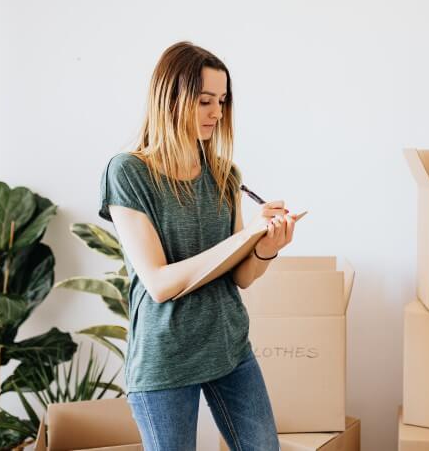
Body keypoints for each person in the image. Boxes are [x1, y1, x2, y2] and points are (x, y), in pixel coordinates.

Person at [98, 41, 298, 450]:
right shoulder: (129, 172)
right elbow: (159, 284)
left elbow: (240, 277)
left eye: (222, 101)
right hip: (165, 358)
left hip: (229, 346)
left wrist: (267, 246)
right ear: (170, 98)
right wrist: (245, 237)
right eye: (205, 100)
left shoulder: (224, 173)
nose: (217, 113)